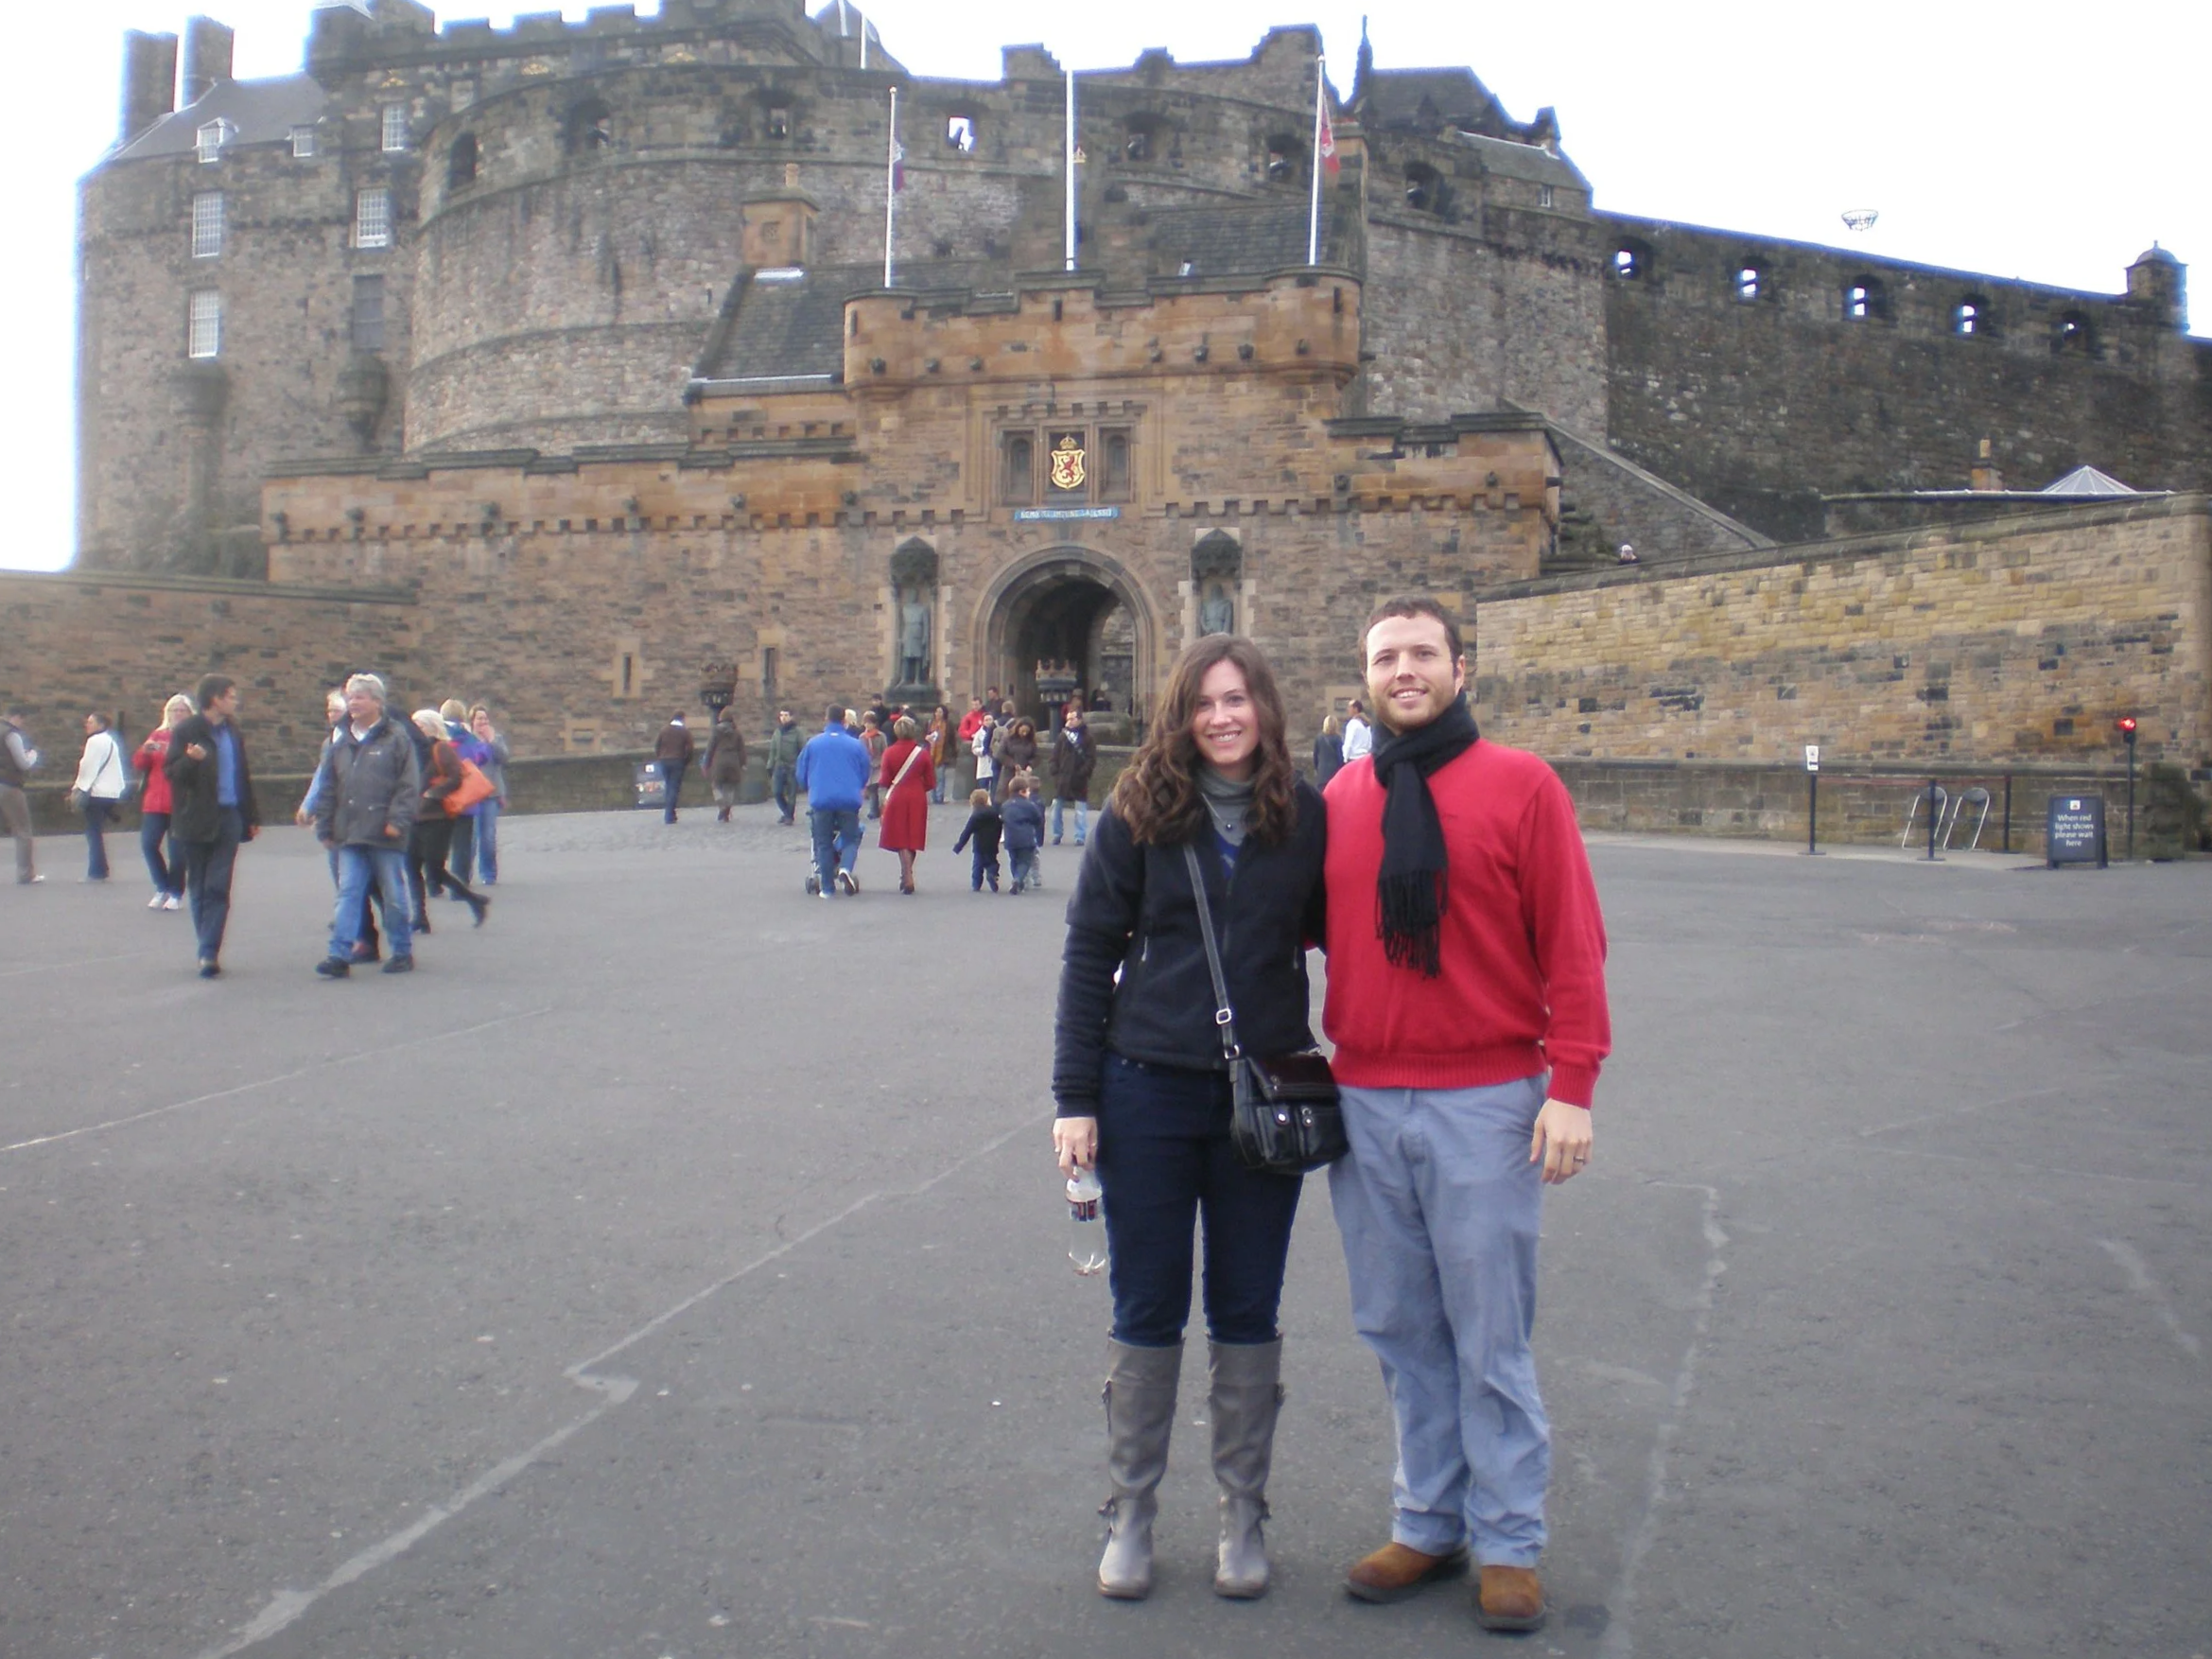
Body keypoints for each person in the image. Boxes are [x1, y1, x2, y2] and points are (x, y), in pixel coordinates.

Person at [1323, 597, 1610, 1634]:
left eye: (1421, 654)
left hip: (1486, 1095)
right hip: (1362, 1090)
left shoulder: (1521, 785)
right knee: (1399, 1323)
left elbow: (1572, 942)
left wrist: (1571, 1083)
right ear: (1364, 675)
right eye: (1384, 656)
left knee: (1488, 1331)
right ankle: (1428, 1516)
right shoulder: (1344, 793)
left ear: (1460, 668)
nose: (1404, 670)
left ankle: (1509, 1538)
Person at [1050, 634, 1328, 1602]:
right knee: (1146, 1305)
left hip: (1265, 1098)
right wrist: (1073, 1100)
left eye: (1238, 699)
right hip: (1146, 1089)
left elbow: (1353, 942)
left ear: (1265, 710)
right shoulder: (1137, 814)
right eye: (1205, 701)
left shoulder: (1305, 816)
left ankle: (1241, 1511)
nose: (1222, 717)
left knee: (1247, 1308)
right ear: (1180, 711)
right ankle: (1129, 1509)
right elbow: (1088, 954)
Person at [313, 674, 419, 977]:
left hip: (385, 832)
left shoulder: (396, 737)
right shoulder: (341, 740)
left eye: (359, 697)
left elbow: (408, 784)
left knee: (393, 895)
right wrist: (325, 825)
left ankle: (401, 950)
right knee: (349, 892)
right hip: (350, 830)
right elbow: (329, 785)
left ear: (377, 702)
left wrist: (397, 820)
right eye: (350, 697)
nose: (353, 703)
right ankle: (339, 954)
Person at [165, 674, 261, 978]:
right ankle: (206, 945)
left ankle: (209, 952)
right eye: (230, 696)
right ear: (215, 698)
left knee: (218, 885)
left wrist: (252, 815)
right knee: (198, 884)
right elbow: (172, 773)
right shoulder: (187, 730)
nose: (235, 701)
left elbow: (242, 775)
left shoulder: (233, 731)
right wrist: (191, 760)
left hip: (229, 816)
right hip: (195, 816)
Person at [407, 709, 492, 931]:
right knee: (411, 865)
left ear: (430, 727)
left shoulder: (441, 748)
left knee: (434, 869)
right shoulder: (413, 751)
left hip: (438, 818)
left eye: (420, 725)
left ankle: (473, 900)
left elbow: (455, 777)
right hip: (415, 817)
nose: (415, 730)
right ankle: (420, 917)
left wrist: (433, 793)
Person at [795, 703, 871, 897]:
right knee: (851, 837)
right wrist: (856, 787)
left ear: (826, 719)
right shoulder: (856, 745)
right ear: (844, 721)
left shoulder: (813, 744)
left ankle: (827, 888)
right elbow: (865, 772)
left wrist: (810, 787)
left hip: (822, 799)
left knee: (823, 842)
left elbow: (801, 774)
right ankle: (845, 867)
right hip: (848, 799)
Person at [133, 694, 194, 909]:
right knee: (149, 844)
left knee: (178, 853)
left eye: (181, 710)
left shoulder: (194, 736)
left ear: (189, 713)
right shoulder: (158, 734)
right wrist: (145, 751)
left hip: (181, 801)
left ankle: (176, 892)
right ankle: (162, 886)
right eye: (173, 710)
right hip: (155, 800)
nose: (177, 714)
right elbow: (140, 764)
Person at [876, 715, 935, 895]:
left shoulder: (890, 752)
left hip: (897, 796)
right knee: (912, 837)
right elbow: (931, 782)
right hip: (917, 796)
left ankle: (907, 875)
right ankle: (907, 873)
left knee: (901, 836)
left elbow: (885, 780)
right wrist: (918, 787)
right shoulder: (922, 753)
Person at [71, 712, 129, 882]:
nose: (87, 725)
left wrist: (78, 787)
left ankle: (97, 870)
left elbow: (88, 767)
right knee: (96, 831)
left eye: (91, 722)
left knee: (93, 832)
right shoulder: (111, 741)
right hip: (110, 792)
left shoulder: (94, 741)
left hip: (96, 792)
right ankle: (101, 869)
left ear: (101, 725)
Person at [441, 699, 492, 885]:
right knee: (462, 844)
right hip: (464, 799)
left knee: (438, 842)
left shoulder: (437, 735)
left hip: (440, 796)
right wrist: (485, 743)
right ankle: (459, 883)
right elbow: (479, 759)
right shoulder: (467, 737)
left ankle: (434, 882)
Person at [468, 706, 510, 882]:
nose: (483, 722)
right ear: (472, 722)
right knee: (470, 839)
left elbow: (504, 758)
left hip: (491, 795)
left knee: (488, 837)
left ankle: (489, 874)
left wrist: (491, 741)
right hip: (471, 795)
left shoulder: (496, 739)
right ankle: (464, 873)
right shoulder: (467, 740)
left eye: (485, 719)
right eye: (479, 719)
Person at [1, 707, 41, 884]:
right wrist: (33, 755)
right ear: (16, 717)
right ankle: (26, 873)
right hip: (8, 785)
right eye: (22, 720)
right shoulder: (11, 734)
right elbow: (23, 764)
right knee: (23, 830)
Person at [1050, 706, 1095, 847]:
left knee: (1080, 811)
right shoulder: (1062, 736)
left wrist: (1082, 772)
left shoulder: (1087, 737)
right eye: (1068, 718)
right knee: (1056, 808)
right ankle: (1057, 834)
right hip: (1063, 778)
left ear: (1079, 720)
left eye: (1072, 718)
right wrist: (1055, 770)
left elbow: (1091, 759)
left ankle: (1079, 836)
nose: (1069, 721)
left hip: (1078, 778)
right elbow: (1055, 755)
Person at [1000, 773, 1046, 894]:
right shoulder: (1029, 805)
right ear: (1022, 791)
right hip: (1026, 839)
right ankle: (1018, 879)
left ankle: (1015, 878)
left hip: (1010, 838)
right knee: (1025, 861)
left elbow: (1002, 818)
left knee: (1013, 860)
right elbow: (1038, 819)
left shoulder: (1005, 805)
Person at [952, 788, 1002, 892]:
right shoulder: (995, 813)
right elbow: (999, 828)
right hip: (992, 844)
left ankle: (976, 884)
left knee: (977, 865)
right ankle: (992, 873)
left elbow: (967, 832)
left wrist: (959, 846)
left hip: (979, 845)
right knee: (992, 862)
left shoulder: (975, 816)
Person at [705, 708, 748, 823]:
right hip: (733, 762)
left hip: (719, 762)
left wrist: (706, 764)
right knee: (730, 788)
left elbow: (710, 749)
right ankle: (726, 811)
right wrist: (743, 763)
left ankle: (722, 806)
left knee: (716, 786)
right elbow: (741, 750)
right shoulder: (737, 733)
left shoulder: (716, 731)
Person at [654, 712, 696, 823]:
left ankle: (671, 813)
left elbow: (657, 746)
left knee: (669, 786)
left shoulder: (664, 730)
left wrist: (660, 757)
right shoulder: (684, 732)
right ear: (682, 719)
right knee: (673, 787)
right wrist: (686, 760)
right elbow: (690, 749)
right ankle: (669, 815)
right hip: (677, 761)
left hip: (664, 761)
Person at [763, 708, 803, 825]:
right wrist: (770, 765)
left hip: (792, 767)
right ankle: (787, 813)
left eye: (786, 715)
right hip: (779, 766)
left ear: (791, 717)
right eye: (781, 715)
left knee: (791, 794)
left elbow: (803, 750)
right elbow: (773, 751)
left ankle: (789, 816)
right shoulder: (777, 732)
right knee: (777, 792)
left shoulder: (797, 732)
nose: (783, 718)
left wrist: (800, 766)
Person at [860, 711, 888, 820]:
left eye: (870, 723)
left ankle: (873, 811)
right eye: (866, 723)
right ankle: (875, 809)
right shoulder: (862, 737)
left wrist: (881, 762)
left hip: (878, 765)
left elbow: (885, 750)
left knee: (874, 788)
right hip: (867, 766)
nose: (868, 725)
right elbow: (860, 751)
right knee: (871, 789)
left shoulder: (880, 736)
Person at [926, 704, 955, 804]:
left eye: (940, 712)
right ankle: (934, 796)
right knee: (932, 777)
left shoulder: (948, 724)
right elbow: (925, 736)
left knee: (940, 777)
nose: (938, 714)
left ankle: (939, 797)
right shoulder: (930, 723)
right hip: (930, 753)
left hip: (942, 754)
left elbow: (952, 739)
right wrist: (927, 738)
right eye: (937, 712)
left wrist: (953, 753)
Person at [971, 711, 999, 803]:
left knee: (994, 789)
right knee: (983, 788)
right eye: (986, 720)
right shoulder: (979, 734)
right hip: (983, 764)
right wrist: (982, 751)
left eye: (990, 719)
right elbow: (974, 748)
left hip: (994, 762)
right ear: (983, 721)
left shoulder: (997, 732)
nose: (988, 722)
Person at [1312, 713, 1345, 788]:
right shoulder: (1337, 738)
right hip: (1334, 771)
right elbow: (1340, 757)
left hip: (1322, 771)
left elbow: (1315, 756)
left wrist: (1317, 768)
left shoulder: (1319, 738)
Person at [1340, 697, 1373, 764]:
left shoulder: (1353, 724)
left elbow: (1348, 743)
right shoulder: (1366, 724)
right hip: (1365, 758)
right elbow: (1370, 744)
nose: (1348, 709)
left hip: (1353, 759)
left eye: (1350, 707)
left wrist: (1345, 758)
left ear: (1355, 709)